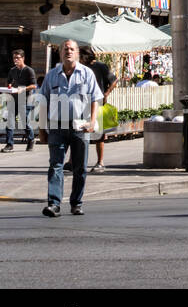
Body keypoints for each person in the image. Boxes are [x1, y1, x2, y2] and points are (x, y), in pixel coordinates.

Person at [37, 40, 103, 218]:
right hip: (57, 127)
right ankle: (54, 204)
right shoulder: (52, 75)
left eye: (72, 49)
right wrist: (42, 130)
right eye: (65, 49)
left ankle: (76, 203)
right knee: (56, 165)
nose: (68, 52)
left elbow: (95, 98)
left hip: (79, 127)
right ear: (60, 54)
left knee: (80, 167)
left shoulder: (86, 73)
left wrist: (92, 121)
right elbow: (43, 102)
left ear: (77, 54)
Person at [81, 46, 117, 173]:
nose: (79, 59)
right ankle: (72, 161)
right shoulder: (80, 68)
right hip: (81, 103)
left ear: (86, 56)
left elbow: (113, 80)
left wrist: (106, 94)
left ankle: (100, 162)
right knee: (78, 133)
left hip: (97, 103)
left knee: (99, 134)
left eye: (81, 56)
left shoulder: (100, 66)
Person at [3, 49, 36, 152]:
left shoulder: (29, 70)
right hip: (14, 100)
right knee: (10, 121)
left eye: (18, 58)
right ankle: (9, 144)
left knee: (23, 121)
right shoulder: (12, 70)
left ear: (23, 58)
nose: (15, 60)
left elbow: (34, 85)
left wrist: (24, 88)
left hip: (26, 100)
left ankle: (31, 139)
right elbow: (9, 83)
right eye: (14, 58)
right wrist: (9, 87)